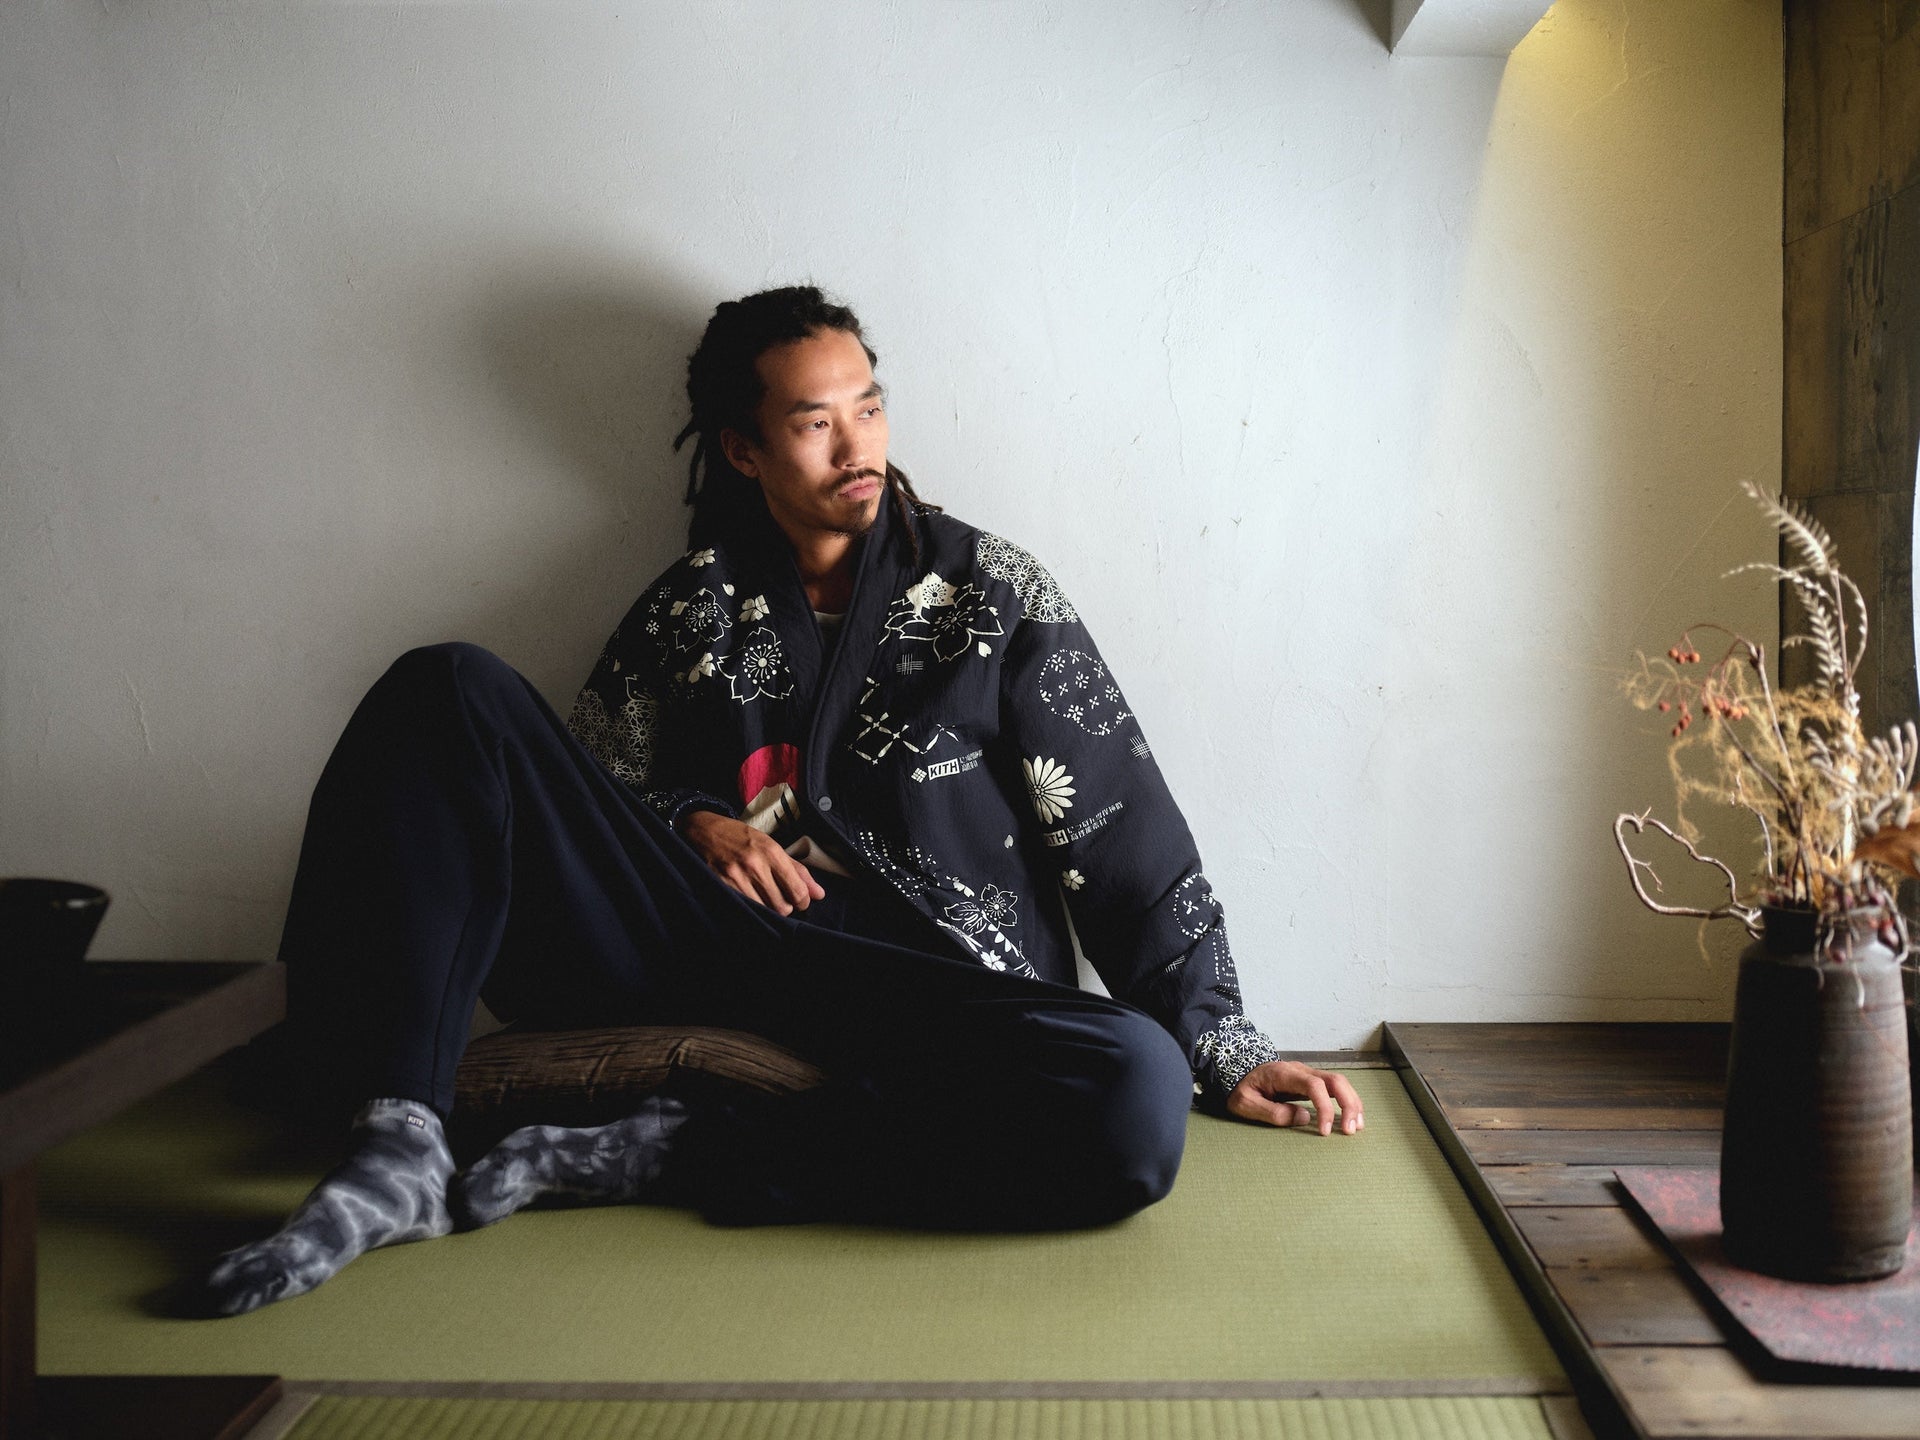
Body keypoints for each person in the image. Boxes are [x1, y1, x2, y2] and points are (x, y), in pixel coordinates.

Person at [201, 286, 1362, 1317]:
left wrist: (1222, 1042)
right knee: (445, 688)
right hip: (718, 947)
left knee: (1135, 1090)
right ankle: (399, 1143)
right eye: (815, 423)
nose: (857, 446)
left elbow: (1116, 829)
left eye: (869, 407)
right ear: (744, 452)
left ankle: (678, 1150)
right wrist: (687, 822)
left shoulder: (989, 593)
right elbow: (582, 798)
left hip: (920, 984)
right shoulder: (691, 605)